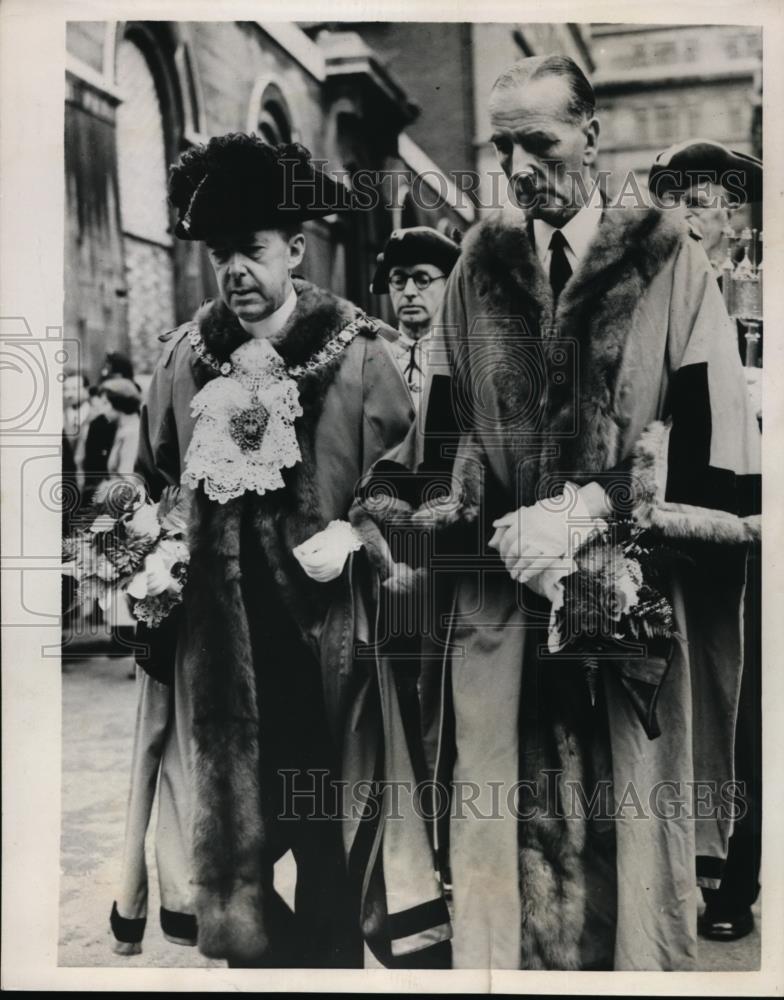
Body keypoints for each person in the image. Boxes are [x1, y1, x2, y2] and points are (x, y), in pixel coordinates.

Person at [343, 55, 761, 970]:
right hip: (501, 621)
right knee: (503, 858)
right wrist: (374, 519)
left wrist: (592, 512)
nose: (521, 163)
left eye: (541, 140)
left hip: (628, 616)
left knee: (631, 863)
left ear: (591, 134)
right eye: (504, 144)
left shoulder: (670, 260)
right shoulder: (476, 272)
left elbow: (714, 452)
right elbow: (442, 440)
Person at [109, 133, 421, 967]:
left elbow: (410, 479)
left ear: (295, 247)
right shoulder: (183, 359)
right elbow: (152, 484)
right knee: (233, 860)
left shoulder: (359, 355)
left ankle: (324, 960)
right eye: (220, 256)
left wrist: (359, 531)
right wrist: (147, 551)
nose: (234, 271)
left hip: (325, 650)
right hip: (216, 654)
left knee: (326, 844)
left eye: (250, 251)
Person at [650, 139, 763, 943]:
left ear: (735, 215)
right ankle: (688, 863)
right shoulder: (656, 299)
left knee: (747, 697)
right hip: (678, 516)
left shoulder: (759, 298)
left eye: (708, 201)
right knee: (683, 689)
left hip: (757, 518)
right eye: (678, 199)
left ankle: (735, 878)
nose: (693, 215)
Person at [370, 227, 460, 405]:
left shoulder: (465, 359)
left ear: (447, 285)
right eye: (399, 280)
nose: (409, 292)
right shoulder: (371, 358)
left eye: (423, 280)